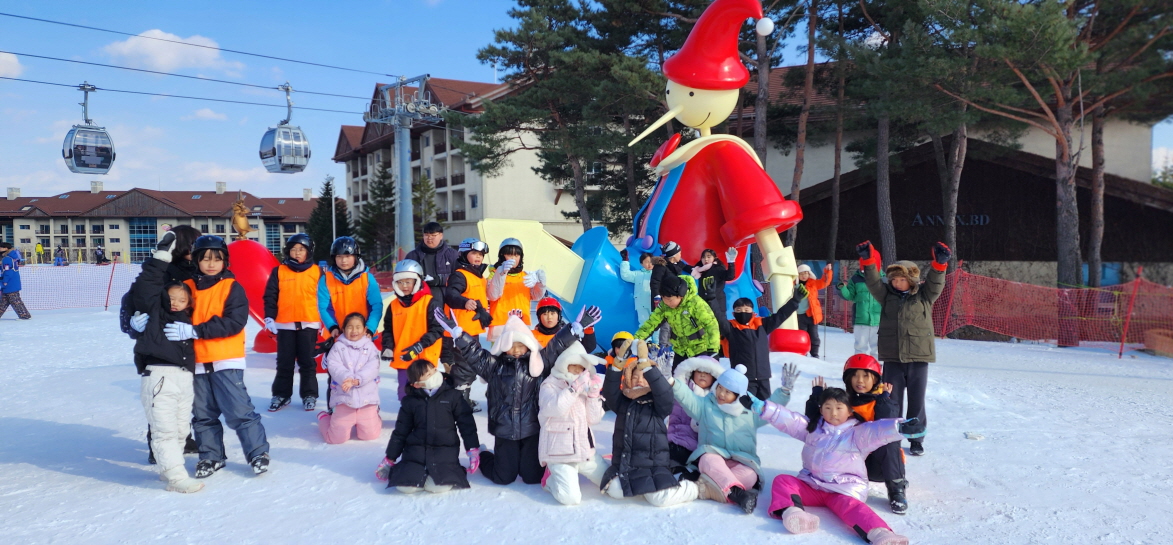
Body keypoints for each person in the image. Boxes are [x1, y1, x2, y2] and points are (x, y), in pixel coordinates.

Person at [437, 307, 594, 486]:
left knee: (532, 477)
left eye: (521, 345)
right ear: (504, 345)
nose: (517, 350)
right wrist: (458, 334)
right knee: (503, 478)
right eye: (512, 346)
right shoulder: (494, 366)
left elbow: (556, 345)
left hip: (531, 428)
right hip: (505, 429)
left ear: (529, 344)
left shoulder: (539, 363)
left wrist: (574, 328)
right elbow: (475, 355)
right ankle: (483, 454)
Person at [755, 387, 924, 545]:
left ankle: (880, 534)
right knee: (783, 481)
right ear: (821, 410)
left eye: (838, 408)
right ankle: (793, 513)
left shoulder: (858, 433)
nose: (833, 413)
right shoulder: (813, 428)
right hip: (813, 484)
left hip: (842, 490)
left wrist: (900, 427)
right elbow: (790, 421)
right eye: (827, 408)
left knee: (854, 509)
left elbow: (878, 431)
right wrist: (764, 408)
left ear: (850, 411)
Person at [167, 235, 270, 479]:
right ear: (196, 260)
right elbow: (172, 312)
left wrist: (196, 330)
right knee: (203, 415)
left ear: (225, 261)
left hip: (226, 360)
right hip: (197, 363)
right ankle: (211, 456)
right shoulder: (186, 287)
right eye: (205, 258)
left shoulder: (232, 287)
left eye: (217, 258)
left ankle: (257, 453)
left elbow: (233, 322)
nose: (211, 264)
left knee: (239, 411)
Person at [857, 240, 949, 457]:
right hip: (893, 357)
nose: (898, 283)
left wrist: (940, 265)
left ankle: (916, 438)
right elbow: (872, 283)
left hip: (918, 356)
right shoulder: (886, 296)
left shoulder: (924, 296)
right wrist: (869, 262)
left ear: (911, 280)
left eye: (902, 279)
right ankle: (891, 438)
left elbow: (936, 283)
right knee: (892, 401)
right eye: (894, 279)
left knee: (917, 401)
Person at [600, 340, 715, 506]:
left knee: (659, 500)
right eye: (635, 376)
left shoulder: (657, 403)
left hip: (651, 466)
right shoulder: (623, 401)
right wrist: (617, 364)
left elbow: (666, 394)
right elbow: (610, 392)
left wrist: (647, 366)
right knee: (615, 490)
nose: (639, 380)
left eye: (645, 377)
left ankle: (696, 489)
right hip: (627, 465)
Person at [130, 232, 202, 493]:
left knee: (182, 430)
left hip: (185, 377)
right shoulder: (156, 312)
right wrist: (161, 255)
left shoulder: (189, 317)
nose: (175, 303)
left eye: (181, 300)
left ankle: (168, 466)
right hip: (159, 376)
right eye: (171, 298)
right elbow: (145, 286)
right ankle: (176, 477)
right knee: (165, 432)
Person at [669, 363, 788, 514]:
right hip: (713, 458)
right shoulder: (706, 405)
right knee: (707, 459)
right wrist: (674, 383)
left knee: (750, 477)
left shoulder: (750, 411)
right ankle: (737, 494)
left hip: (742, 460)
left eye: (727, 392)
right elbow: (688, 398)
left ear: (738, 395)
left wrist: (783, 393)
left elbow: (770, 411)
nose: (721, 394)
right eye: (720, 388)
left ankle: (707, 487)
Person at [805, 354, 908, 514]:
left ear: (875, 379)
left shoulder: (882, 401)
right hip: (848, 467)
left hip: (877, 465)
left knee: (888, 441)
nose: (860, 381)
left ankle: (896, 489)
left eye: (865, 376)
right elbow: (815, 422)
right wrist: (818, 399)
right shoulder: (843, 402)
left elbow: (888, 424)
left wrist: (884, 400)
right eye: (855, 375)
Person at [376, 359, 480, 494]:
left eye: (434, 371)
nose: (435, 375)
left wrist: (472, 449)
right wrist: (390, 458)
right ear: (417, 384)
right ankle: (413, 472)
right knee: (406, 487)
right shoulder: (410, 401)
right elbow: (401, 431)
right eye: (428, 375)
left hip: (444, 452)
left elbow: (466, 424)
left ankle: (434, 475)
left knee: (437, 486)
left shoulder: (452, 396)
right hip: (416, 452)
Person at [537, 342, 607, 506]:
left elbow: (594, 419)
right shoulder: (549, 385)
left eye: (580, 368)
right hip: (559, 454)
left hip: (585, 452)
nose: (576, 371)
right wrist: (574, 389)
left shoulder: (584, 386)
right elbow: (555, 409)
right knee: (571, 499)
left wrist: (593, 395)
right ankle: (550, 480)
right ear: (563, 364)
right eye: (572, 366)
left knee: (615, 487)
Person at [264, 233, 322, 412]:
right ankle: (281, 394)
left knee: (307, 362)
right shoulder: (279, 271)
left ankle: (309, 394)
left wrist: (326, 322)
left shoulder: (317, 272)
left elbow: (324, 298)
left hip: (309, 323)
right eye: (293, 249)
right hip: (285, 324)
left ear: (308, 252)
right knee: (284, 362)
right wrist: (269, 317)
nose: (297, 253)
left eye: (301, 250)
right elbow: (270, 296)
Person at [379, 259, 444, 401]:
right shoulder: (394, 305)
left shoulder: (430, 303)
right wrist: (388, 347)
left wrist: (420, 346)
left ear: (417, 281)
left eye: (408, 282)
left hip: (425, 359)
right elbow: (388, 329)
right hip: (404, 357)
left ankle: (427, 418)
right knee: (405, 392)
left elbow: (438, 329)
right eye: (400, 282)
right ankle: (408, 417)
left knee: (427, 390)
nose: (404, 286)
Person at [443, 237, 494, 412]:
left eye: (480, 254)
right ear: (464, 254)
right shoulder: (460, 274)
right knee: (466, 366)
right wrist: (463, 302)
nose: (478, 257)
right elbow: (450, 294)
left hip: (471, 330)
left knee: (470, 365)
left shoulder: (478, 276)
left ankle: (460, 399)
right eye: (474, 253)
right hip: (460, 332)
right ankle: (460, 403)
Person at [722, 290, 803, 399]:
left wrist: (794, 301)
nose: (743, 312)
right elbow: (717, 316)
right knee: (746, 407)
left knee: (765, 408)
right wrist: (711, 298)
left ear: (752, 312)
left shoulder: (762, 325)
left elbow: (780, 316)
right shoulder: (731, 328)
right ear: (733, 313)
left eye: (746, 310)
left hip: (763, 376)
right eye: (739, 310)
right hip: (743, 377)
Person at [633, 272, 719, 370]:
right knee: (678, 381)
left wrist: (713, 351)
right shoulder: (664, 306)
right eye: (664, 299)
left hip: (700, 349)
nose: (666, 303)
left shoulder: (696, 304)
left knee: (699, 383)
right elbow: (651, 323)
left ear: (681, 295)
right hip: (681, 351)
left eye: (670, 300)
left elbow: (711, 325)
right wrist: (635, 340)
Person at [318, 313, 382, 444]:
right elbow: (334, 366)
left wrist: (358, 379)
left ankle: (375, 415)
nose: (354, 331)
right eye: (350, 327)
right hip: (344, 399)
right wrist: (346, 378)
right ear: (344, 329)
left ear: (364, 330)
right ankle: (325, 418)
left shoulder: (370, 347)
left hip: (367, 400)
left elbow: (373, 366)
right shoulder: (337, 347)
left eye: (358, 327)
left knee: (370, 436)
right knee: (335, 439)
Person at [405, 222, 461, 370]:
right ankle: (425, 368)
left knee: (446, 334)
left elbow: (460, 278)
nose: (429, 239)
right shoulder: (413, 255)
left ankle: (449, 368)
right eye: (426, 235)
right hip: (422, 302)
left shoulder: (452, 255)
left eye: (433, 235)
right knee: (426, 333)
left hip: (446, 300)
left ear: (441, 236)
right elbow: (404, 279)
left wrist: (440, 279)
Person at [667, 356, 726, 476]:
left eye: (707, 373)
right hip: (678, 435)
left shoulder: (716, 398)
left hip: (703, 442)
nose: (702, 375)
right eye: (699, 372)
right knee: (672, 453)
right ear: (692, 373)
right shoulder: (682, 389)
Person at [318, 236, 383, 339]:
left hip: (363, 335)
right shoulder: (326, 280)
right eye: (339, 256)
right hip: (337, 335)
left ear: (356, 257)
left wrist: (370, 328)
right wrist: (332, 327)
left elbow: (376, 306)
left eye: (348, 256)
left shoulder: (367, 278)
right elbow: (324, 308)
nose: (343, 260)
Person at [487, 237, 545, 328]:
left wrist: (540, 283)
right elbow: (492, 296)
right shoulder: (494, 274)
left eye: (517, 255)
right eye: (510, 255)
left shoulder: (525, 275)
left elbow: (536, 296)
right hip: (500, 324)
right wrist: (501, 273)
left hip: (522, 323)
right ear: (502, 256)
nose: (513, 258)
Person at [648, 242, 690, 347]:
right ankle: (663, 347)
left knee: (674, 323)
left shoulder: (676, 265)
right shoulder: (661, 266)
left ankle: (671, 347)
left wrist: (703, 268)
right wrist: (657, 297)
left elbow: (690, 268)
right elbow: (655, 282)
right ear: (674, 255)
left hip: (675, 300)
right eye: (679, 252)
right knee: (665, 324)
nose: (681, 255)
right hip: (664, 299)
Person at [838, 269, 882, 357]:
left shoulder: (883, 278)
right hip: (861, 320)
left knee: (877, 347)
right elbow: (850, 295)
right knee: (860, 347)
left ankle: (877, 366)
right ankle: (860, 366)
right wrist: (842, 288)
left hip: (879, 321)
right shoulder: (856, 278)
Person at [795, 263, 834, 359]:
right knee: (801, 335)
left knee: (814, 336)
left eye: (806, 273)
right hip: (799, 315)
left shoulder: (813, 283)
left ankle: (814, 354)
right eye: (801, 274)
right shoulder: (793, 285)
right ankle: (802, 352)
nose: (804, 276)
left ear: (809, 274)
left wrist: (827, 271)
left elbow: (825, 282)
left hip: (811, 314)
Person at [531, 297, 597, 352]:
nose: (549, 317)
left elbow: (586, 349)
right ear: (539, 317)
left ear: (559, 316)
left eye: (553, 313)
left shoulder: (568, 335)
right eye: (545, 314)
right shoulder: (530, 336)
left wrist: (588, 328)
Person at [691, 248, 737, 320]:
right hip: (705, 306)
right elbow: (686, 267)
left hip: (718, 305)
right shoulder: (700, 271)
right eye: (703, 257)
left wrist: (731, 262)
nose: (706, 259)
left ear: (715, 258)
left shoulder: (717, 269)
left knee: (720, 327)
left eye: (709, 257)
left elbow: (730, 276)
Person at [618, 252, 654, 325]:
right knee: (644, 324)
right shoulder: (638, 274)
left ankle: (658, 337)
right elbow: (626, 275)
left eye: (651, 261)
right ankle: (645, 337)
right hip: (641, 303)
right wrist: (625, 261)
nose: (649, 264)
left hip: (653, 302)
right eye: (646, 262)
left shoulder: (657, 273)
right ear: (641, 264)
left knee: (656, 324)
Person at [0, 244, 31, 320]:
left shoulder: (7, 258)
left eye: (1, 247)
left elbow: (8, 271)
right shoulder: (13, 257)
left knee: (15, 300)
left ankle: (24, 315)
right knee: (4, 301)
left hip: (10, 283)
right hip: (13, 281)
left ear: (6, 248)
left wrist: (5, 281)